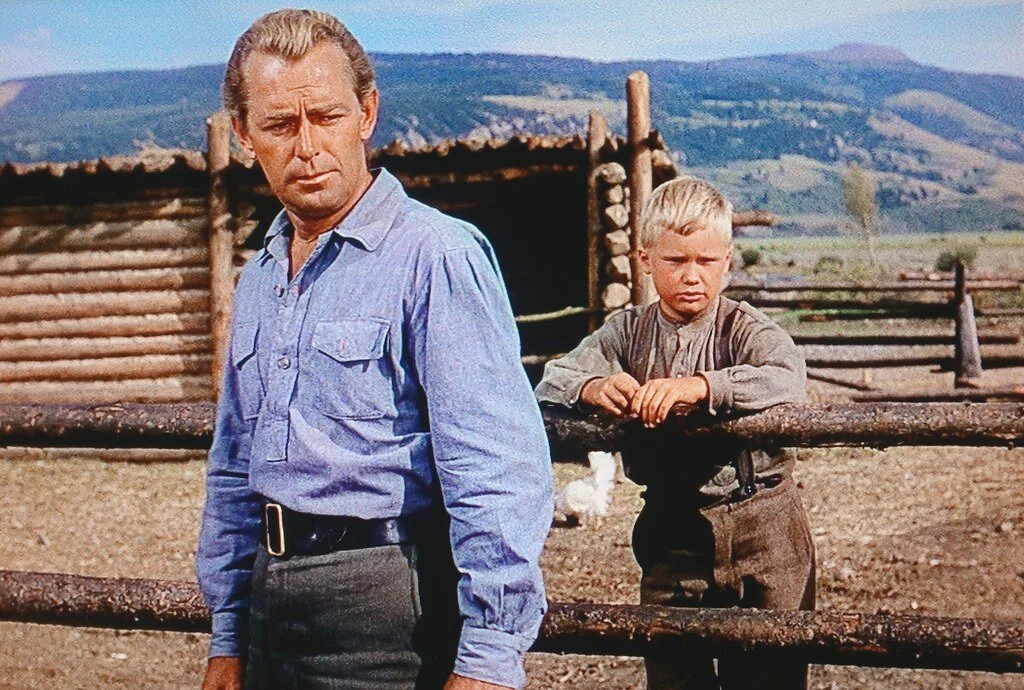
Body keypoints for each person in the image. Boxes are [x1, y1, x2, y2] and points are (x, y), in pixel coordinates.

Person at [196, 10, 553, 690]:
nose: (307, 146)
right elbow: (235, 466)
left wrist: (488, 656)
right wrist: (229, 633)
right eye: (280, 125)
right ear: (244, 135)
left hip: (389, 608)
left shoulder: (435, 255)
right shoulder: (261, 277)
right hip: (268, 605)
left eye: (326, 116)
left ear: (366, 113)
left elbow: (495, 465)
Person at [536, 177, 814, 689]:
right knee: (675, 673)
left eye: (706, 261)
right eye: (675, 260)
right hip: (672, 531)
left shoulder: (744, 329)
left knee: (769, 673)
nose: (692, 275)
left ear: (727, 261)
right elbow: (553, 378)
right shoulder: (626, 332)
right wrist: (594, 386)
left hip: (765, 527)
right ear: (645, 260)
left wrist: (703, 386)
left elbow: (788, 378)